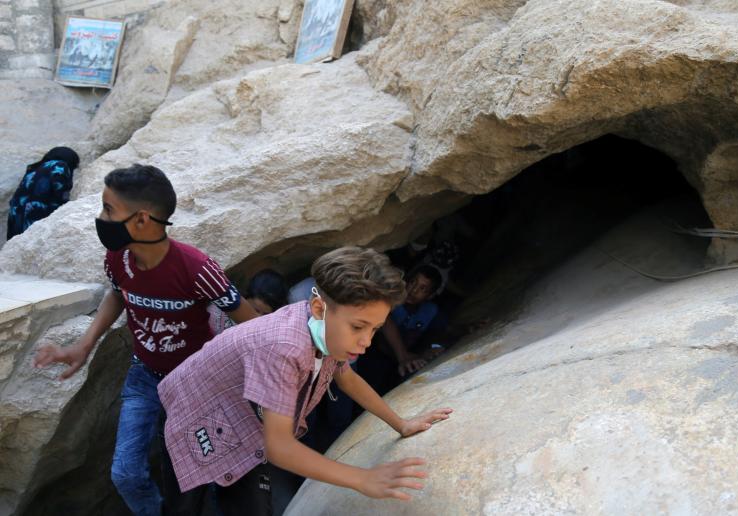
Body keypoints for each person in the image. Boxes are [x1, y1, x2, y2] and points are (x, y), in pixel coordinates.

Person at [157, 247, 452, 514]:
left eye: (374, 329)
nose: (366, 342)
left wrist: (401, 423)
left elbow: (347, 379)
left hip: (243, 425)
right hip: (191, 419)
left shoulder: (326, 332)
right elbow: (279, 446)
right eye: (358, 327)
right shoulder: (284, 348)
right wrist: (362, 478)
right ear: (318, 308)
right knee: (183, 509)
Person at [33, 164, 257, 516]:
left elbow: (251, 323)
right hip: (144, 376)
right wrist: (84, 344)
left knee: (196, 476)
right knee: (125, 473)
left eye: (109, 210)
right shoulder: (118, 258)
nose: (101, 218)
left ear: (141, 221)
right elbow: (118, 294)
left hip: (193, 386)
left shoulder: (198, 269)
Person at [357, 264, 446, 395]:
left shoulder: (430, 311)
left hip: (400, 364)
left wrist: (430, 349)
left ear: (430, 295)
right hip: (374, 357)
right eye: (412, 283)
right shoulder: (391, 300)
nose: (414, 290)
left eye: (423, 288)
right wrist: (403, 355)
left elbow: (440, 332)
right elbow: (385, 320)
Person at [7, 146, 80, 240]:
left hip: (16, 216)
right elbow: (60, 193)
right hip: (35, 216)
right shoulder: (60, 165)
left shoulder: (34, 169)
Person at [209, 269, 289, 334]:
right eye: (255, 310)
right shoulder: (217, 314)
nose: (257, 318)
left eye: (265, 315)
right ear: (245, 297)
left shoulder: (271, 329)